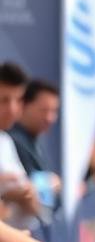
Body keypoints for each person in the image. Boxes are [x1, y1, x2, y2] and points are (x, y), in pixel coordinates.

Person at [9, 78, 62, 210]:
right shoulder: (11, 139)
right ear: (24, 105)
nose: (49, 118)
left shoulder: (35, 140)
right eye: (44, 110)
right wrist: (49, 184)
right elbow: (24, 188)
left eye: (54, 111)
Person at [0, 62, 39, 228]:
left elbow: (34, 207)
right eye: (4, 100)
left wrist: (28, 195)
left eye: (18, 100)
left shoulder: (6, 141)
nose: (13, 109)